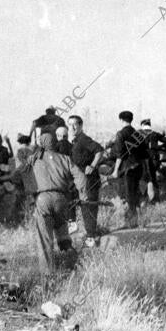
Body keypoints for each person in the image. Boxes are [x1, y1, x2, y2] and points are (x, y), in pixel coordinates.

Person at [27, 133, 87, 274]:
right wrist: (83, 195)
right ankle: (75, 266)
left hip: (43, 200)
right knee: (63, 237)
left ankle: (49, 275)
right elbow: (81, 177)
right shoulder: (65, 158)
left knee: (45, 241)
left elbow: (20, 175)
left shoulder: (35, 159)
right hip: (61, 200)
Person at [68, 115, 104, 245]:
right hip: (82, 180)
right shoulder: (76, 141)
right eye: (69, 124)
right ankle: (90, 235)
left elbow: (99, 150)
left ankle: (91, 237)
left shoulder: (83, 139)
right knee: (85, 207)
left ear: (81, 125)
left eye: (75, 124)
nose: (72, 127)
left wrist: (93, 165)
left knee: (89, 207)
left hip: (90, 179)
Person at [111, 111, 148, 227]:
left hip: (127, 169)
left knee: (128, 196)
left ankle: (131, 223)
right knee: (136, 192)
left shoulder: (120, 134)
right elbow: (144, 155)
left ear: (121, 120)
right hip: (139, 168)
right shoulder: (138, 134)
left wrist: (116, 170)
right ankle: (142, 217)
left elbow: (120, 155)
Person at [139, 119, 166, 201]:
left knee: (143, 178)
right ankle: (155, 198)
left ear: (143, 125)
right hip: (154, 159)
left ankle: (147, 197)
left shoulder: (138, 134)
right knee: (153, 178)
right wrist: (160, 147)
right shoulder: (155, 134)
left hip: (143, 159)